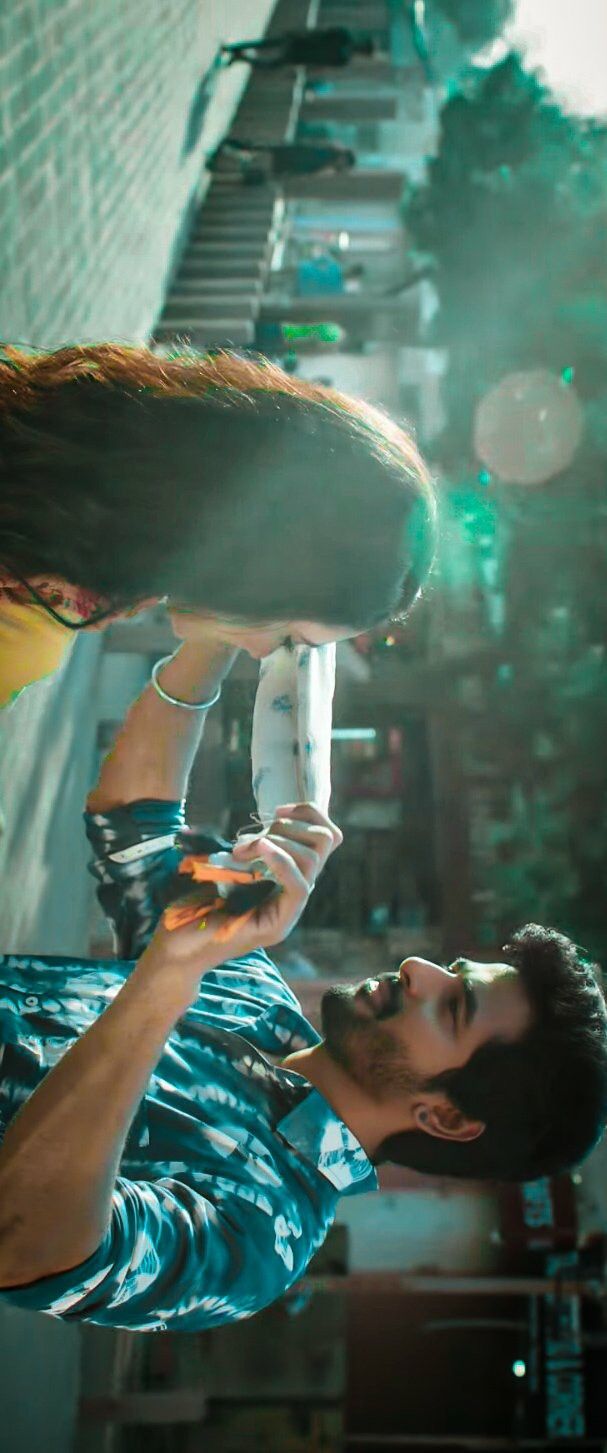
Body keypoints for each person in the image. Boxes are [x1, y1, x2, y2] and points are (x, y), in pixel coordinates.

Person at [0, 633, 606, 1330]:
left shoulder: (259, 1235)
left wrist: (170, 973)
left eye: (454, 1006)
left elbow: (22, 1243)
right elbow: (134, 830)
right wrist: (216, 636)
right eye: (455, 968)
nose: (419, 970)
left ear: (445, 1116)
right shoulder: (255, 991)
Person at [0, 343, 436, 707]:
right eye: (287, 638)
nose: (263, 652)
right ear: (261, 570)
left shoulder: (72, 414)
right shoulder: (27, 633)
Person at [207, 138, 356, 183]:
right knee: (253, 152)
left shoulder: (328, 167)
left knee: (251, 162)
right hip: (286, 156)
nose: (342, 163)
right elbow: (306, 150)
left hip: (285, 164)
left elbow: (305, 172)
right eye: (345, 161)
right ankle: (227, 147)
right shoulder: (328, 153)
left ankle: (224, 155)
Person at [220, 28, 376, 71]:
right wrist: (299, 33)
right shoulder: (344, 36)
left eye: (363, 51)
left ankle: (240, 57)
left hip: (300, 55)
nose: (360, 50)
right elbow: (319, 33)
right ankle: (234, 50)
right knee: (265, 46)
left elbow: (320, 66)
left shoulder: (344, 59)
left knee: (268, 63)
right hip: (300, 43)